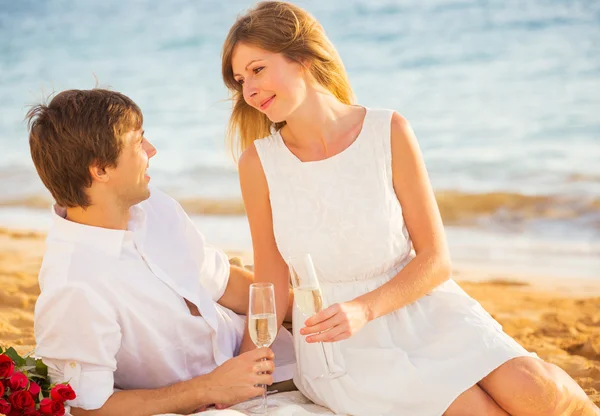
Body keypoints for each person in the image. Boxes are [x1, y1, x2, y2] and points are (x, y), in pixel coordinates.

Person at [221, 2, 600, 415]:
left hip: (426, 308)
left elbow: (436, 260)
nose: (249, 91)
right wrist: (246, 369)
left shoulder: (389, 131)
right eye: (240, 80)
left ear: (304, 57)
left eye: (257, 70)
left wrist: (365, 308)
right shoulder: (259, 164)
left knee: (540, 393)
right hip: (342, 344)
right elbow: (272, 281)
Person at [27, 89, 296, 416]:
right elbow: (88, 408)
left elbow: (225, 284)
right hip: (220, 402)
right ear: (100, 170)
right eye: (138, 142)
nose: (152, 150)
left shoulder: (152, 206)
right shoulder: (74, 286)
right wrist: (209, 387)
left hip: (271, 352)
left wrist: (309, 309)